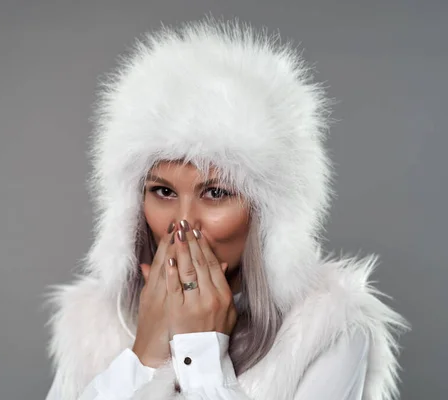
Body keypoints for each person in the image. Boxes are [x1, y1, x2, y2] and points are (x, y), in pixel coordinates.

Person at [44, 18, 409, 400]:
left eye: (216, 192)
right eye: (164, 191)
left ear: (267, 212)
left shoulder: (329, 327)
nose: (183, 223)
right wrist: (145, 355)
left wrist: (201, 355)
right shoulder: (91, 321)